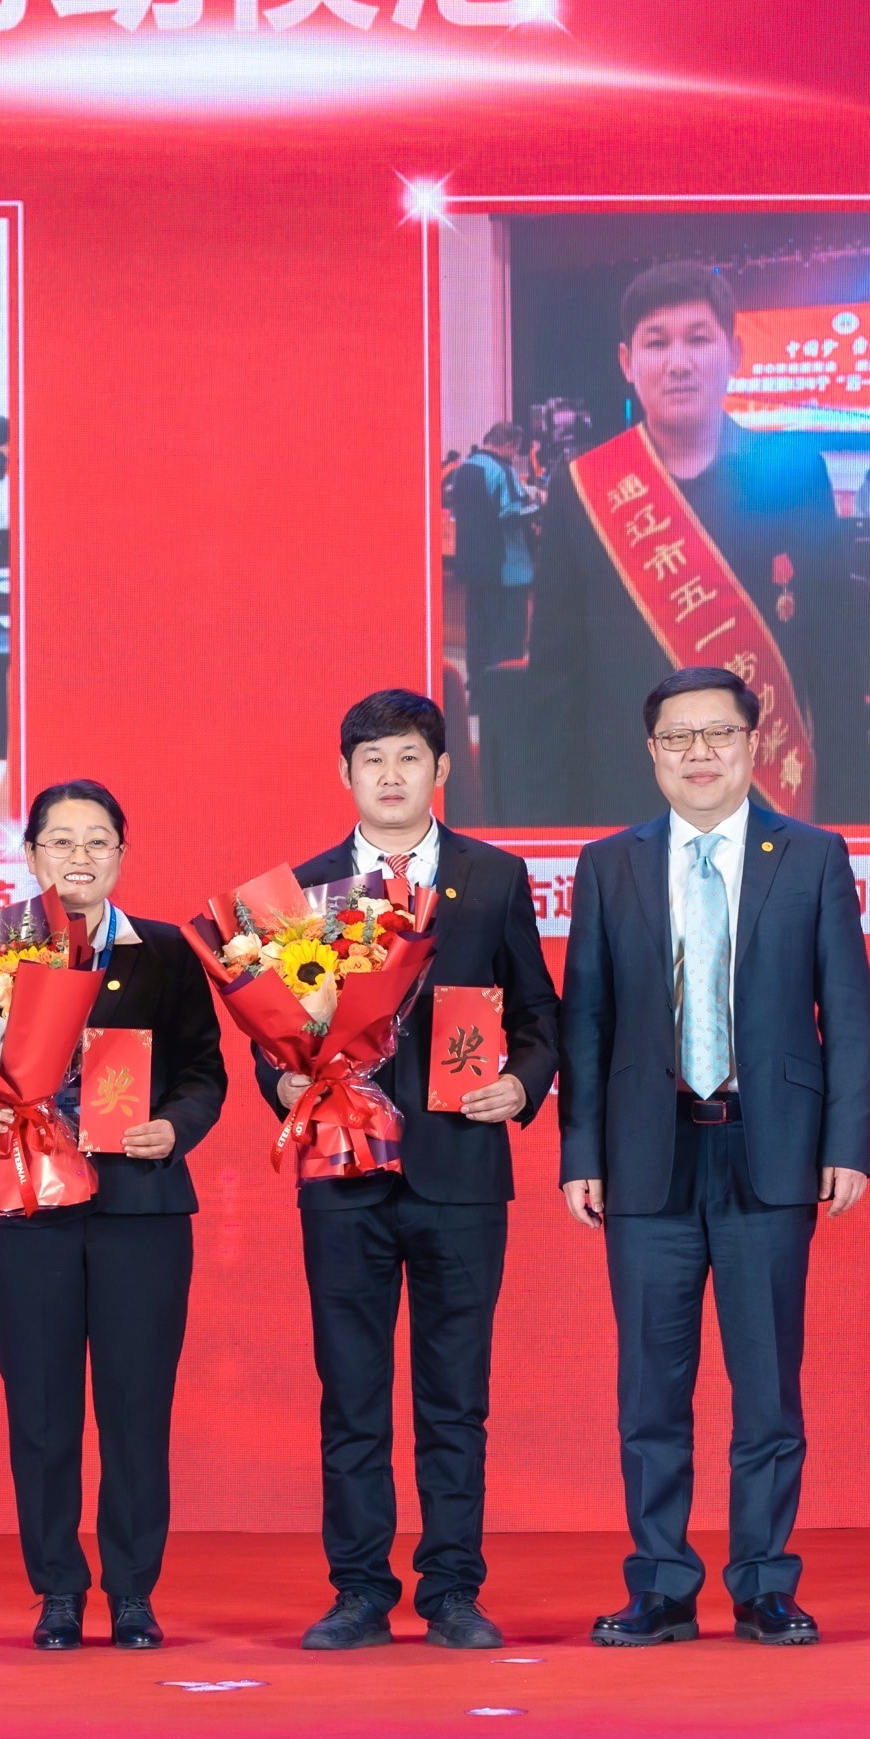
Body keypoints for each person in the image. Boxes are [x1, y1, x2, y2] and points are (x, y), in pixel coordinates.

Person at [557, 665, 870, 1649]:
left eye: (716, 734)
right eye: (676, 738)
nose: (697, 753)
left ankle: (763, 1583)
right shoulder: (607, 865)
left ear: (751, 742)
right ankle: (659, 1585)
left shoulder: (812, 855)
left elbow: (847, 1012)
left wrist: (845, 1143)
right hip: (644, 1155)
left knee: (767, 1386)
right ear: (651, 752)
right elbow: (584, 1021)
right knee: (649, 1389)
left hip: (768, 1149)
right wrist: (580, 1151)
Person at [253, 690, 560, 1651]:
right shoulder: (301, 891)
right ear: (344, 774)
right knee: (350, 1394)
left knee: (453, 1397)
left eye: (409, 758)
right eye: (372, 759)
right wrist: (285, 1084)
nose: (390, 776)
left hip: (459, 1170)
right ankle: (357, 1590)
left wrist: (520, 1083)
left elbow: (539, 1017)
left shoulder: (492, 877)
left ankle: (453, 1590)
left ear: (441, 770)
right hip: (342, 1175)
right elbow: (272, 1034)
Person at [0, 780, 228, 1652]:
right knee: (41, 1410)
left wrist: (176, 1127)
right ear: (32, 853)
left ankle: (132, 1592)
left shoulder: (164, 952)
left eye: (96, 841)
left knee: (135, 1409)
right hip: (28, 1206)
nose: (79, 857)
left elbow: (204, 1069)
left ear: (121, 853)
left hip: (140, 1208)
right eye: (60, 841)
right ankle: (56, 1589)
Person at [525, 263, 870, 827]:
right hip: (625, 807)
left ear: (734, 354)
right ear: (627, 362)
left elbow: (834, 659)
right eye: (656, 343)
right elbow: (554, 678)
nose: (679, 362)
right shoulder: (583, 490)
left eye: (698, 339)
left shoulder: (794, 475)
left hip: (766, 807)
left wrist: (843, 819)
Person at [444, 421, 538, 675]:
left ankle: (477, 686)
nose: (515, 455)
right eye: (516, 449)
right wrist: (539, 506)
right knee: (507, 640)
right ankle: (503, 690)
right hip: (507, 569)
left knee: (478, 635)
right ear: (509, 445)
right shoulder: (502, 471)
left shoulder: (463, 469)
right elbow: (511, 514)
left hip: (474, 567)